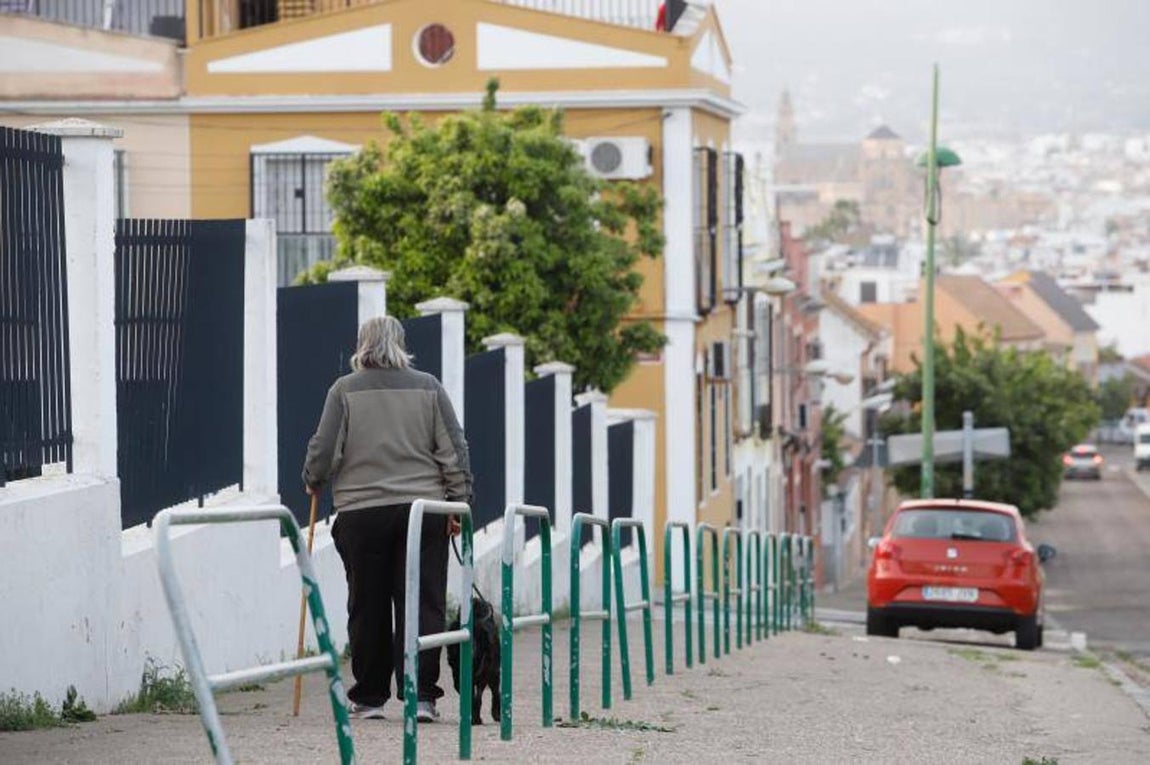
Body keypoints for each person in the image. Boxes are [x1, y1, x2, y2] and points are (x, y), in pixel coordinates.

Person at [303, 315, 472, 722]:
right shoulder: (429, 387)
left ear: (361, 345)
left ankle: (369, 698)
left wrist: (313, 478)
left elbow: (324, 449)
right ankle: (422, 697)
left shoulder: (343, 390)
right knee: (423, 601)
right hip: (423, 510)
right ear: (401, 344)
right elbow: (454, 448)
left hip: (362, 512)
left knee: (367, 602)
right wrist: (459, 502)